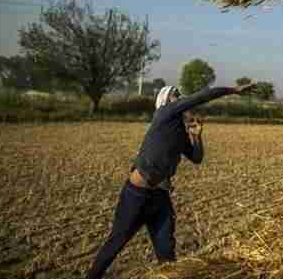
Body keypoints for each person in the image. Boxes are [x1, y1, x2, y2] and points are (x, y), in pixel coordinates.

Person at [86, 82, 256, 279]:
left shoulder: (180, 132)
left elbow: (196, 158)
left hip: (160, 197)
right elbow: (202, 96)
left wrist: (197, 137)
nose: (181, 97)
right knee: (116, 243)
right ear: (166, 101)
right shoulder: (165, 114)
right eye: (176, 95)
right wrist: (232, 90)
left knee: (167, 253)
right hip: (137, 194)